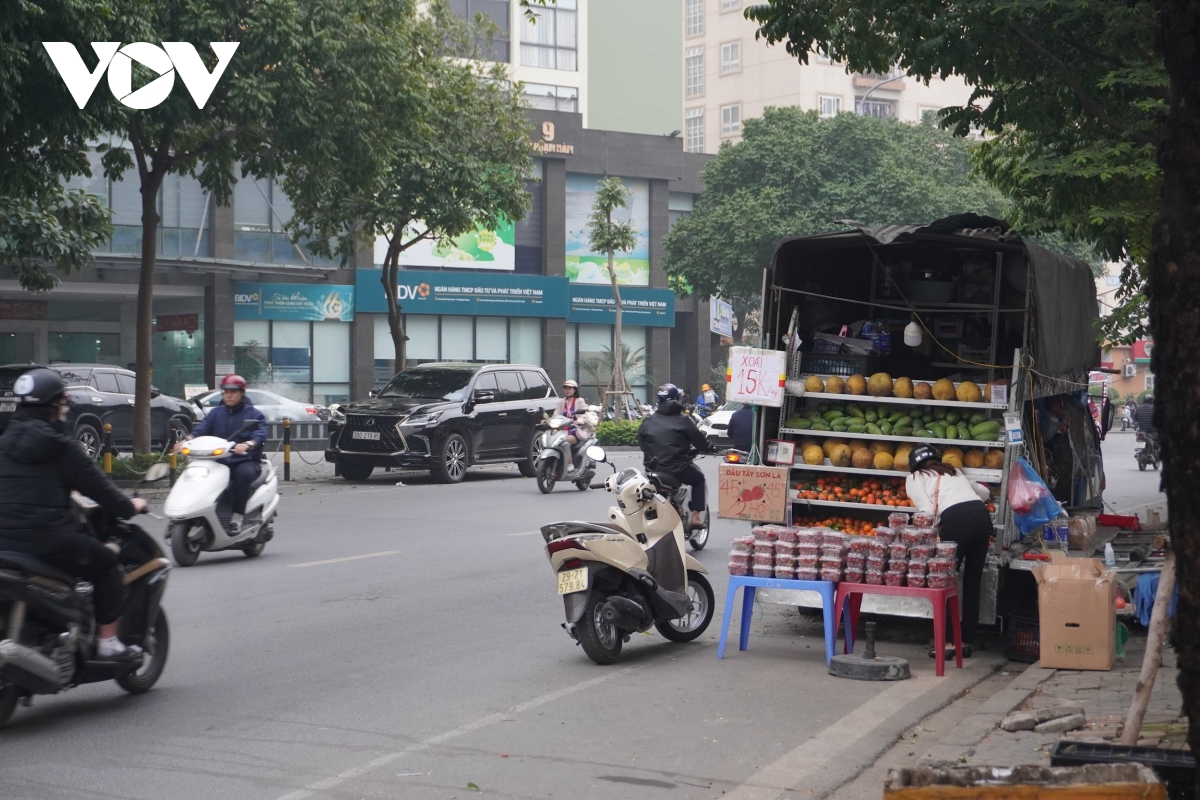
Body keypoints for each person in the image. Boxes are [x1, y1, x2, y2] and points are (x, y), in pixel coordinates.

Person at [0, 368, 148, 659]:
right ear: (54, 405)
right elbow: (101, 491)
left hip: (4, 540)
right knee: (106, 564)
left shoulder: (2, 443)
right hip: (48, 540)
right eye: (62, 403)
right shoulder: (60, 446)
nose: (64, 408)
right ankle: (107, 643)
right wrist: (130, 506)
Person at [905, 444, 992, 658]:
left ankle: (946, 643)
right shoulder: (954, 471)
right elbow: (985, 492)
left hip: (956, 522)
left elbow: (926, 512)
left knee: (943, 581)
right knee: (972, 581)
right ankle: (965, 641)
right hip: (981, 518)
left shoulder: (915, 478)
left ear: (914, 465)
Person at [175, 375, 266, 533]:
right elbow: (203, 428)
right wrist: (188, 439)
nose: (228, 395)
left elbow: (260, 433)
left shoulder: (253, 414)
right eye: (225, 392)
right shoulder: (216, 413)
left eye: (233, 392)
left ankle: (237, 517)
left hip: (244, 460)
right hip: (219, 460)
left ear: (242, 393)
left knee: (242, 475)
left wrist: (248, 444)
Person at [637, 383, 714, 528]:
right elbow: (701, 443)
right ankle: (696, 518)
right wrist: (709, 448)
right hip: (677, 469)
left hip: (652, 471)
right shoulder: (683, 420)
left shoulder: (648, 421)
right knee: (698, 479)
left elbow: (642, 443)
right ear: (677, 399)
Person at [556, 380, 589, 471]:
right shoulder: (561, 402)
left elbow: (584, 416)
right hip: (562, 430)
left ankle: (570, 464)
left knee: (564, 441)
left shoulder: (579, 401)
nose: (567, 390)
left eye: (570, 388)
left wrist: (577, 421)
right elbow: (556, 414)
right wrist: (548, 420)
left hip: (575, 430)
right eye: (565, 388)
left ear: (575, 390)